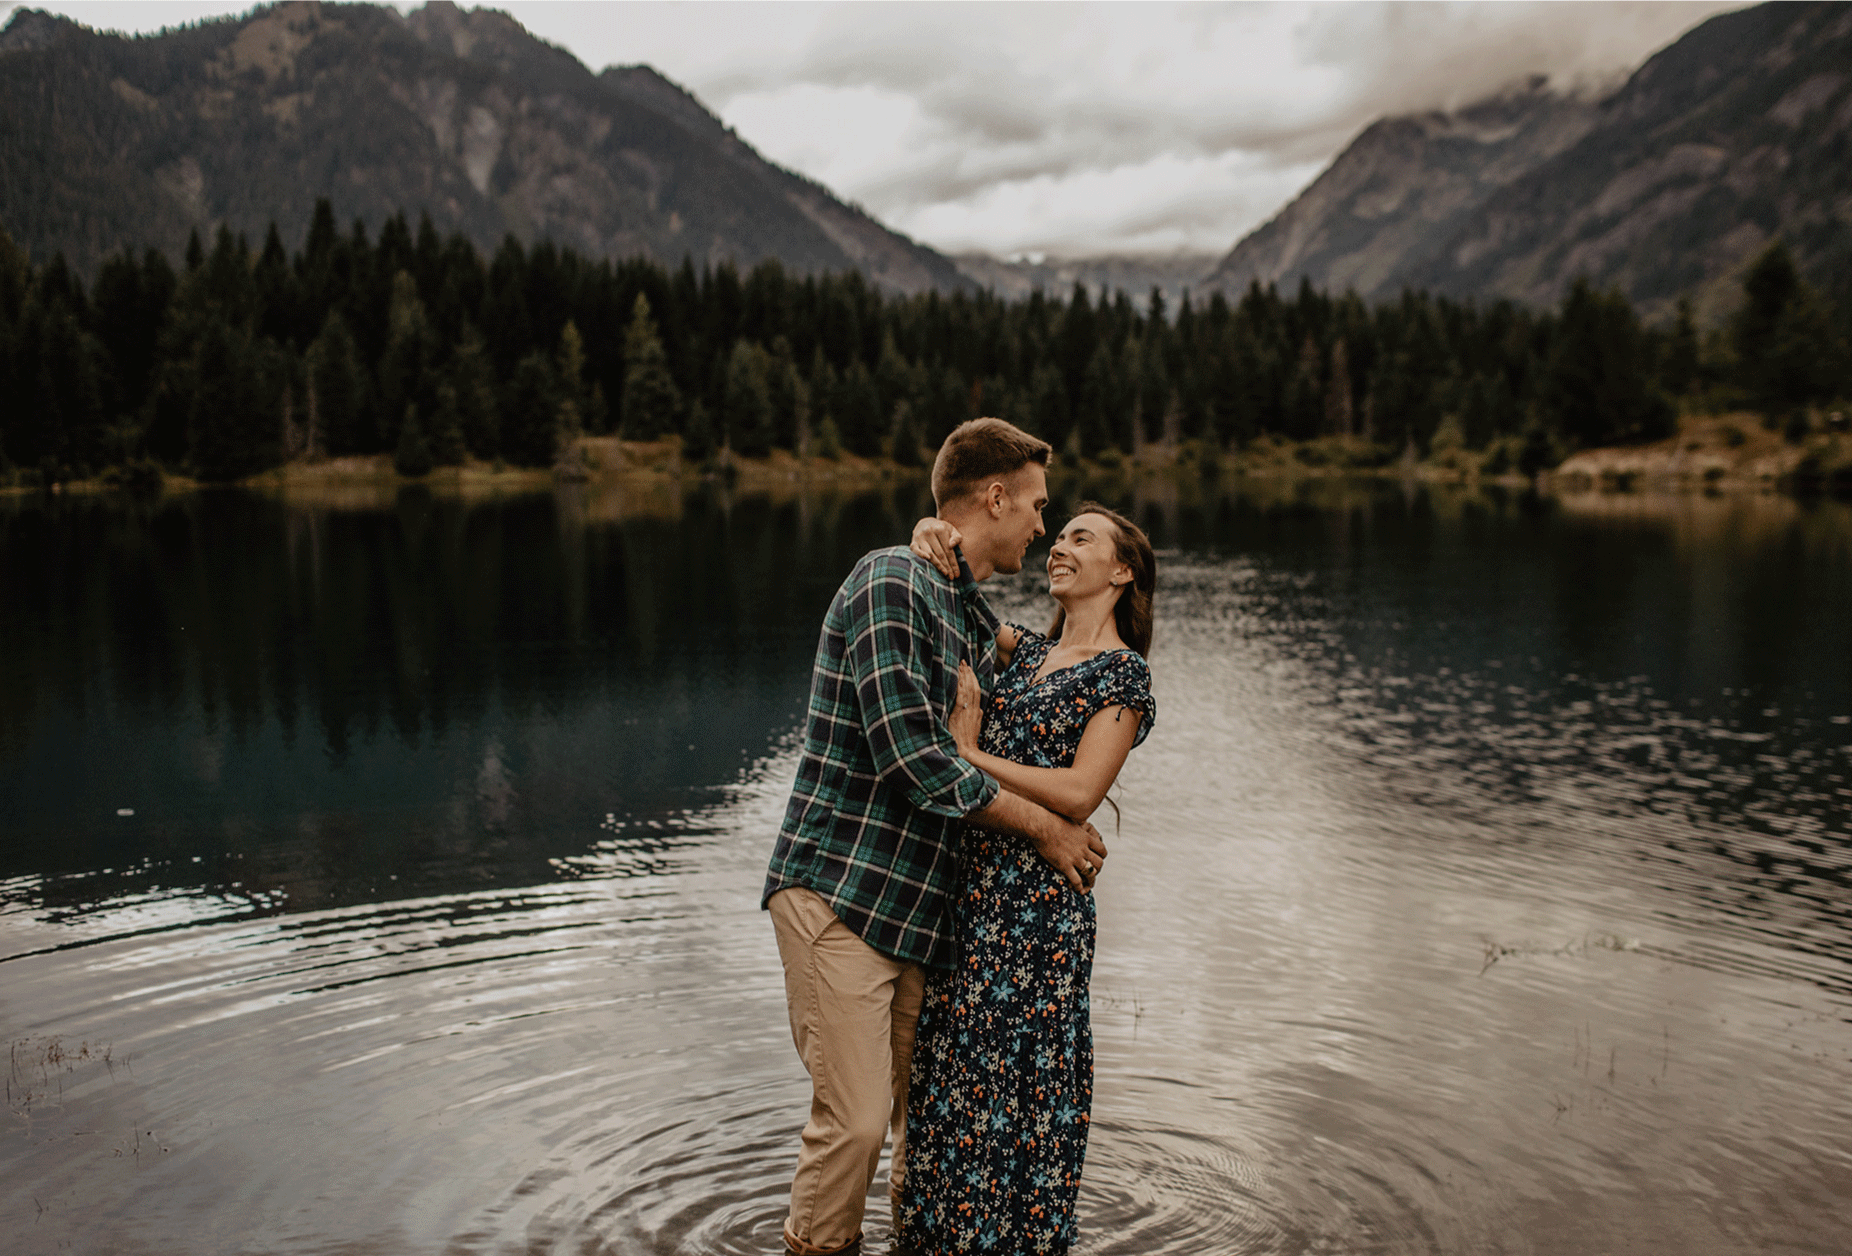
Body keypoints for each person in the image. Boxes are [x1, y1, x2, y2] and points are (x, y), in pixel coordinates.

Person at [763, 418, 1111, 1256]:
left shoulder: (955, 605)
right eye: (1036, 506)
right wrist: (1048, 830)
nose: (1041, 526)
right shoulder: (889, 581)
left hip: (920, 919)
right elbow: (914, 759)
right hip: (842, 895)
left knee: (927, 1131)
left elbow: (1046, 679)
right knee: (854, 1126)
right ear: (994, 497)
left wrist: (939, 535)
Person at [895, 501, 1158, 1256]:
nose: (1058, 547)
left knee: (1019, 1082)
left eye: (1081, 538)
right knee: (953, 1074)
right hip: (969, 897)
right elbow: (960, 598)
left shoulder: (1124, 675)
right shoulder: (1028, 652)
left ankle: (1016, 1238)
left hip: (1039, 915)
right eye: (1058, 534)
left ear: (1122, 570)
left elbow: (1079, 793)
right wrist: (931, 532)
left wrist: (968, 755)